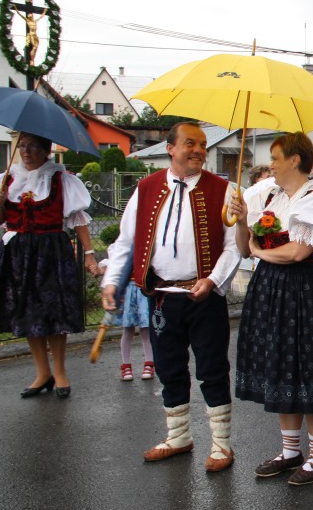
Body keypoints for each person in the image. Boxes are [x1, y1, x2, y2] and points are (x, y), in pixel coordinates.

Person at [102, 122, 241, 472]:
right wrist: (111, 282)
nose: (198, 150)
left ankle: (222, 445)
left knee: (212, 368)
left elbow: (233, 247)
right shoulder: (146, 188)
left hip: (204, 295)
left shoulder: (225, 189)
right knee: (168, 368)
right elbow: (125, 241)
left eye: (203, 144)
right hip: (162, 296)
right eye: (190, 143)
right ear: (171, 148)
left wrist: (212, 280)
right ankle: (179, 437)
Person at [229, 133, 313, 485]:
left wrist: (260, 252)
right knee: (284, 368)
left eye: (276, 157)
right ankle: (291, 451)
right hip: (275, 290)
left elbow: (297, 253)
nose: (270, 164)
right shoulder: (270, 197)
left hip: (312, 289)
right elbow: (245, 250)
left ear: (294, 160)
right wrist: (243, 220)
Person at [0, 132, 96, 399]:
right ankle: (42, 372)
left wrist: (89, 254)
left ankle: (60, 372)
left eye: (32, 146)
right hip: (18, 254)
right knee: (27, 314)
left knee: (53, 313)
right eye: (22, 146)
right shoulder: (5, 180)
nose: (26, 151)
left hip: (51, 251)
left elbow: (78, 220)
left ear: (46, 150)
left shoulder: (61, 179)